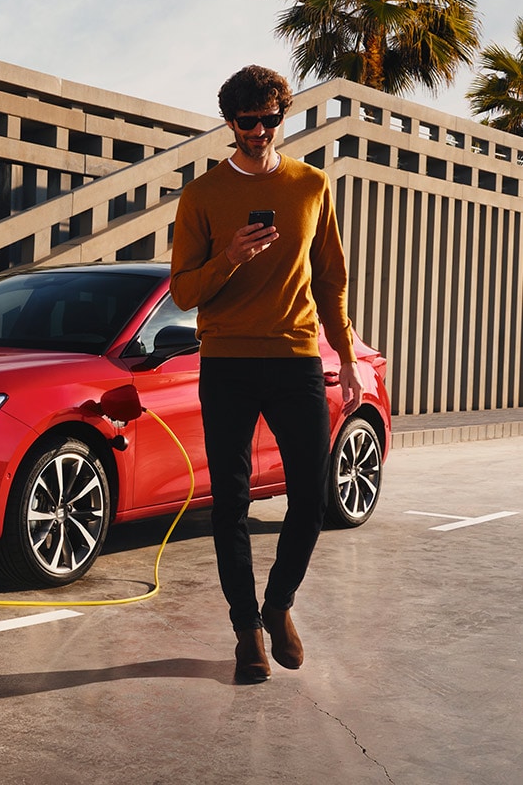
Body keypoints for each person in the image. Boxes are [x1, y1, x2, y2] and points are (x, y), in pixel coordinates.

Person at [169, 65, 363, 684]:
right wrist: (229, 258)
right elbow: (181, 292)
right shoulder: (201, 196)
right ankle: (245, 629)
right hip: (226, 361)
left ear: (284, 117)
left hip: (297, 357)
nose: (258, 131)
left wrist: (348, 360)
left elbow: (331, 281)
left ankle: (278, 606)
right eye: (246, 121)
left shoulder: (312, 185)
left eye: (270, 119)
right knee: (229, 503)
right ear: (229, 123)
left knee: (309, 495)